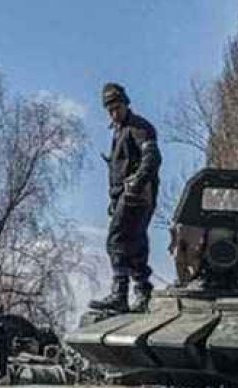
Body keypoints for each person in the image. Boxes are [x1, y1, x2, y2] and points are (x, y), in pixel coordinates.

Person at [90, 81, 162, 314]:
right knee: (135, 242)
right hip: (127, 195)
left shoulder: (138, 127)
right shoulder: (120, 131)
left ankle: (120, 293)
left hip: (136, 195)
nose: (113, 112)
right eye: (109, 109)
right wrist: (114, 199)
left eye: (117, 107)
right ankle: (142, 290)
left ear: (125, 104)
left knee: (117, 240)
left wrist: (137, 182)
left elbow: (152, 157)